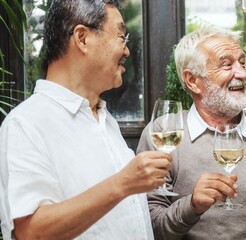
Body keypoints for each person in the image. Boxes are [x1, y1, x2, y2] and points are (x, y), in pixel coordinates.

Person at [0, 0, 172, 239]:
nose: (127, 50)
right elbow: (30, 232)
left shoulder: (105, 119)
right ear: (82, 38)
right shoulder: (26, 124)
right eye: (122, 37)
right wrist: (122, 183)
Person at [137, 27, 246, 239]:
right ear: (192, 80)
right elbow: (149, 227)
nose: (242, 73)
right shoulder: (162, 133)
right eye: (227, 65)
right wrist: (192, 206)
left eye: (242, 62)